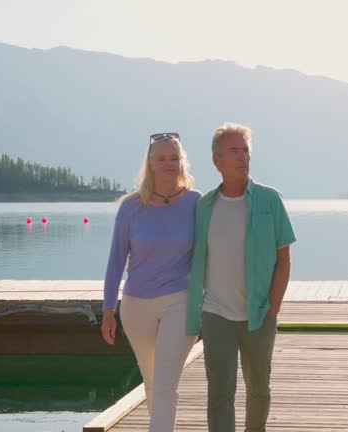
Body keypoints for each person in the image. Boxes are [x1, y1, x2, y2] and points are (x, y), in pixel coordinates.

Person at [186, 122, 297, 432]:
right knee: (219, 393)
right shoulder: (204, 206)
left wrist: (273, 308)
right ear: (217, 160)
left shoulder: (269, 200)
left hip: (260, 313)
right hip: (216, 313)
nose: (242, 157)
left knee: (259, 389)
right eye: (234, 151)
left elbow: (284, 259)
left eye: (246, 150)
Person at [102, 132, 200, 432]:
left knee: (165, 383)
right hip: (136, 306)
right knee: (152, 380)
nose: (169, 163)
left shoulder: (197, 203)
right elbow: (116, 260)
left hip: (179, 301)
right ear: (151, 163)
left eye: (174, 157)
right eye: (162, 158)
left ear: (181, 162)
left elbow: (211, 251)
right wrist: (108, 310)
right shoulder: (130, 207)